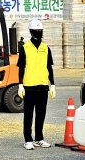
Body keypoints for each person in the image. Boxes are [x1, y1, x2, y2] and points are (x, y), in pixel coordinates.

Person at [17, 19, 56, 150]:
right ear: (31, 31)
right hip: (29, 86)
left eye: (41, 31)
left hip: (43, 86)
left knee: (41, 114)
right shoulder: (25, 48)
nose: (39, 33)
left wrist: (53, 85)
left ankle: (39, 138)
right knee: (28, 114)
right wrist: (20, 85)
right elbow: (21, 68)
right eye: (37, 31)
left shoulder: (46, 48)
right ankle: (28, 139)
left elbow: (49, 68)